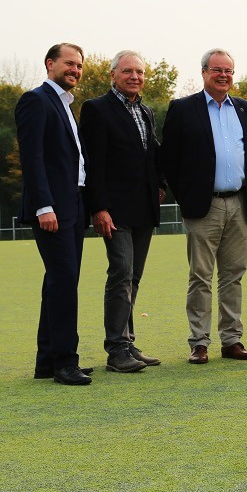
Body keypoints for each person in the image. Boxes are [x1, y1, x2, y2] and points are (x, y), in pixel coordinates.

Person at [162, 48, 247, 364]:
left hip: (239, 203)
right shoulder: (182, 109)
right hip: (204, 206)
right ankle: (199, 343)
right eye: (217, 70)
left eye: (228, 70)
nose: (223, 75)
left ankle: (231, 340)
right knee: (200, 276)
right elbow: (169, 160)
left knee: (233, 275)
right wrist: (186, 196)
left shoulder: (244, 110)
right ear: (204, 72)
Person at [79, 50, 165, 373]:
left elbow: (151, 153)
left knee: (134, 277)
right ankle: (116, 351)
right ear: (113, 75)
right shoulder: (97, 109)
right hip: (115, 211)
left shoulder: (145, 111)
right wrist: (99, 207)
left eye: (139, 72)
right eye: (127, 71)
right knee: (121, 273)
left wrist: (161, 183)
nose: (134, 77)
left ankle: (127, 343)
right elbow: (93, 163)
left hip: (144, 208)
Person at [15, 43, 93, 386]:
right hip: (53, 209)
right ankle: (65, 362)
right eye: (68, 63)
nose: (75, 70)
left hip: (74, 204)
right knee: (63, 282)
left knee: (60, 281)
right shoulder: (36, 100)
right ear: (50, 64)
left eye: (79, 65)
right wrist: (43, 206)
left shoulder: (65, 105)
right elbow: (31, 158)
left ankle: (47, 361)